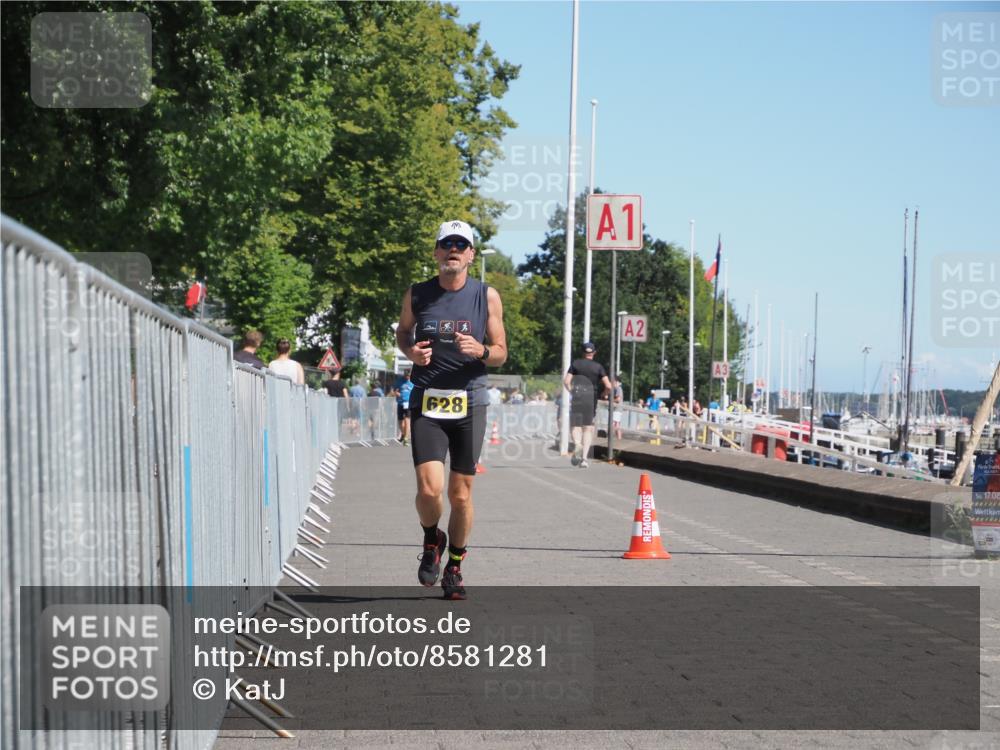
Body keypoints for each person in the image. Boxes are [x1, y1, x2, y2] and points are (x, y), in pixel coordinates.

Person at [395, 219, 507, 600]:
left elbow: (501, 352)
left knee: (460, 496)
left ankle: (455, 566)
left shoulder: (486, 296)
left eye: (461, 245)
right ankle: (432, 539)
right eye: (447, 244)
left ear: (471, 255)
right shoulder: (417, 294)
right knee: (430, 490)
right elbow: (402, 332)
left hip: (469, 404)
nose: (453, 250)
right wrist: (410, 351)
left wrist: (482, 351)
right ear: (436, 252)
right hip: (427, 398)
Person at [563, 342, 612, 468]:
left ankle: (577, 444)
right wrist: (604, 394)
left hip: (578, 397)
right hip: (591, 399)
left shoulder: (575, 364)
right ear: (594, 353)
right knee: (588, 428)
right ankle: (584, 459)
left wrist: (572, 391)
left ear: (583, 353)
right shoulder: (598, 367)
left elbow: (566, 381)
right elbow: (608, 386)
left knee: (575, 425)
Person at [396, 371, 414, 445]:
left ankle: (406, 438)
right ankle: (403, 433)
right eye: (406, 375)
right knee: (400, 421)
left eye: (409, 375)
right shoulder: (400, 381)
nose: (407, 377)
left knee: (407, 420)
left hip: (408, 403)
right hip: (400, 403)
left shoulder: (413, 382)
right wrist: (396, 393)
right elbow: (394, 390)